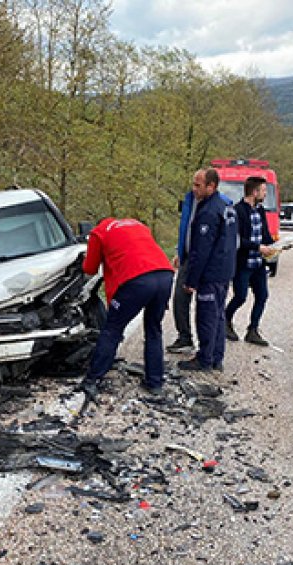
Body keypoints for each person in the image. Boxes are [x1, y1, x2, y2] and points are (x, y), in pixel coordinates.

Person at [79, 218, 174, 398]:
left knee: (112, 329)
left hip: (136, 281)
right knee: (154, 329)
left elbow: (90, 269)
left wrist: (87, 260)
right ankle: (155, 383)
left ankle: (92, 380)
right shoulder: (137, 224)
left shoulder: (98, 232)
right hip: (164, 275)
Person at [178, 168, 238, 372]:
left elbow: (201, 251)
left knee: (206, 316)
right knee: (219, 315)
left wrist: (191, 281)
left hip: (211, 274)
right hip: (224, 271)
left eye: (198, 185)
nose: (194, 189)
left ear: (211, 186)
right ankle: (216, 357)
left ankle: (204, 359)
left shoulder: (208, 212)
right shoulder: (226, 207)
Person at [225, 176, 274, 346]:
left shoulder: (260, 210)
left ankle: (253, 330)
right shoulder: (237, 211)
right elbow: (237, 240)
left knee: (262, 296)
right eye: (263, 191)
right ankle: (225, 319)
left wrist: (274, 246)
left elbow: (265, 234)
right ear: (254, 192)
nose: (265, 194)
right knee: (240, 297)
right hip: (243, 263)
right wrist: (258, 247)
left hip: (259, 264)